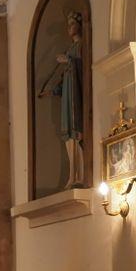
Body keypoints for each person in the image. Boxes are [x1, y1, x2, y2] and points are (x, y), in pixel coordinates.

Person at [38, 10, 85, 188]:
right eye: (68, 26)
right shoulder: (70, 49)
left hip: (75, 99)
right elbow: (65, 78)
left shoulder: (81, 46)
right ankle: (71, 175)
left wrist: (69, 61)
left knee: (76, 135)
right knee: (67, 138)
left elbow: (81, 69)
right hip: (67, 98)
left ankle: (79, 175)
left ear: (80, 25)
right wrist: (54, 91)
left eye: (73, 24)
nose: (70, 28)